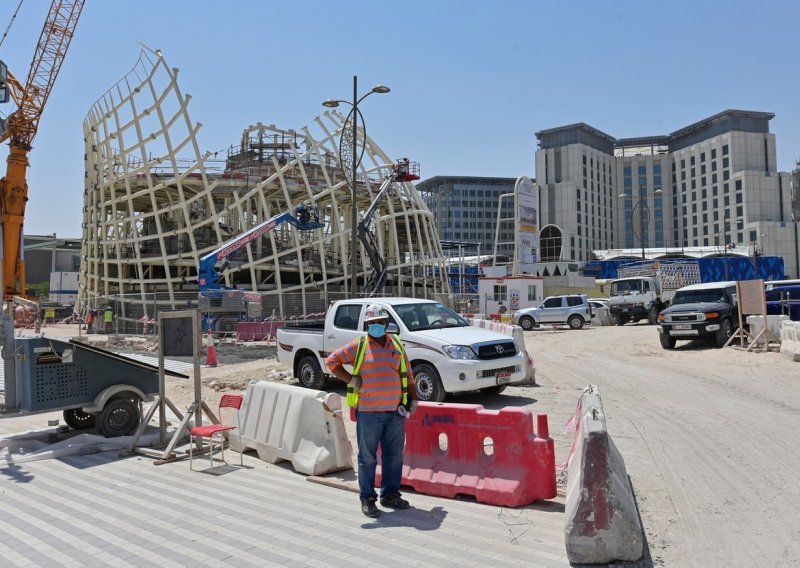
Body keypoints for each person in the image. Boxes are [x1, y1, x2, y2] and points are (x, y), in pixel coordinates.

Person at [326, 304, 417, 518]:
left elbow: (408, 373)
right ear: (366, 325)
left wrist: (413, 397)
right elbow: (332, 361)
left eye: (379, 322)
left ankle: (390, 495)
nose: (375, 326)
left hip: (395, 411)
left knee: (394, 456)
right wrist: (351, 379)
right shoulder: (358, 346)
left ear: (386, 324)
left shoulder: (396, 344)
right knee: (367, 458)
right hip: (369, 413)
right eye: (371, 323)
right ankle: (367, 498)